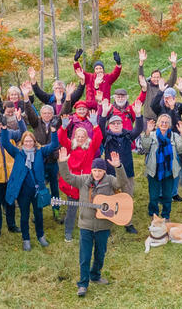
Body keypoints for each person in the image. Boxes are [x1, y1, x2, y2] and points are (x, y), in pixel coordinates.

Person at [58, 148, 129, 297]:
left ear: (104, 171)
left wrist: (118, 167)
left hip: (103, 226)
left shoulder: (109, 180)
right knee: (84, 256)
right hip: (86, 225)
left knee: (100, 253)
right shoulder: (83, 180)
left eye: (100, 170)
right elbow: (68, 177)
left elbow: (122, 182)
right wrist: (63, 163)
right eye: (95, 170)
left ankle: (95, 275)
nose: (97, 173)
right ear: (91, 170)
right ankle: (83, 283)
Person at [1, 127, 60, 251]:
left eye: (30, 141)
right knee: (24, 215)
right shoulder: (18, 153)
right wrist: (5, 129)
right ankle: (26, 239)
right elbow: (5, 143)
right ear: (22, 143)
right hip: (23, 191)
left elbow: (54, 144)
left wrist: (54, 131)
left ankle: (40, 235)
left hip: (37, 190)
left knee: (38, 214)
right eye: (26, 141)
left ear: (34, 142)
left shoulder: (40, 152)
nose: (28, 144)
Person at [99, 100, 144, 232]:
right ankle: (109, 219)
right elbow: (101, 128)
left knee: (127, 197)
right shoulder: (106, 136)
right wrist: (104, 114)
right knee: (110, 196)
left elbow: (139, 129)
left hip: (127, 172)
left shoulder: (127, 135)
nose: (117, 125)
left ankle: (127, 222)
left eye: (119, 123)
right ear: (110, 125)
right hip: (111, 173)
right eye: (113, 123)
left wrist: (138, 115)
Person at [58, 124, 103, 242]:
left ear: (86, 137)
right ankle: (68, 232)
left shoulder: (91, 147)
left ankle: (92, 230)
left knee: (89, 209)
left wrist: (95, 126)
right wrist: (63, 127)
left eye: (82, 136)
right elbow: (61, 138)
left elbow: (98, 138)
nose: (80, 139)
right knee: (71, 209)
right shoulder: (70, 146)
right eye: (78, 136)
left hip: (85, 184)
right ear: (74, 137)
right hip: (72, 184)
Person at [140, 113, 182, 219]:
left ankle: (166, 215)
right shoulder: (151, 135)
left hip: (169, 171)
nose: (164, 124)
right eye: (162, 122)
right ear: (157, 124)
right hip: (154, 170)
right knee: (154, 196)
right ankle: (153, 214)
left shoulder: (174, 136)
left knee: (167, 196)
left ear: (169, 125)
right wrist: (147, 132)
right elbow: (145, 146)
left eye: (166, 122)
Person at [138, 49, 177, 120]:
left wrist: (174, 65)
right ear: (151, 78)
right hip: (147, 118)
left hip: (161, 118)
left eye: (158, 77)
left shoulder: (164, 86)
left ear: (161, 78)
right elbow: (141, 78)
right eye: (154, 77)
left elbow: (172, 79)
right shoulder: (147, 86)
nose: (156, 79)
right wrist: (141, 63)